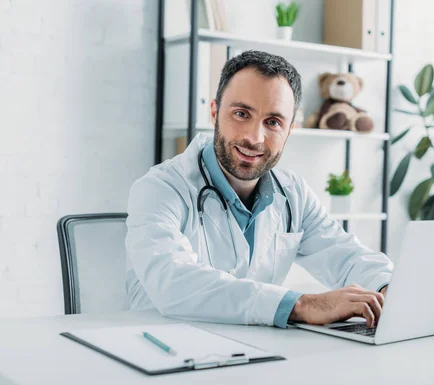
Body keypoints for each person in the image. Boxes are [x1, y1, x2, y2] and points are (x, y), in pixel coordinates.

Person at [125, 50, 393, 329]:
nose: (254, 138)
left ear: (290, 129)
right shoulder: (160, 188)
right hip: (163, 348)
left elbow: (346, 255)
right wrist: (302, 305)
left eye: (273, 122)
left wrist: (385, 289)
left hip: (252, 350)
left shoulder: (293, 194)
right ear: (214, 111)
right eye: (241, 114)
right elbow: (172, 282)